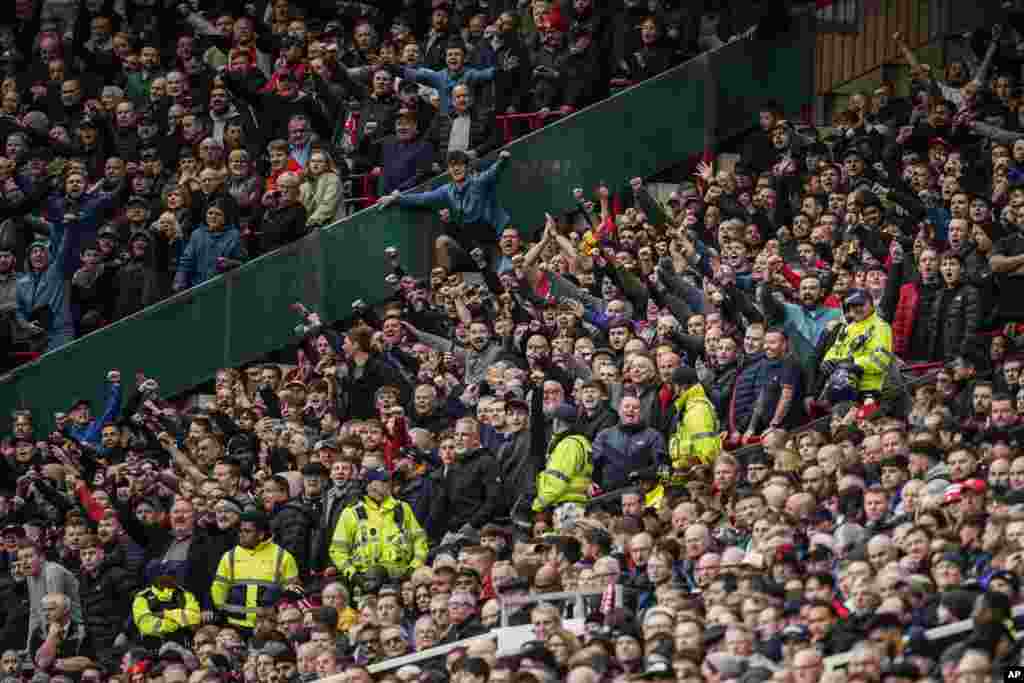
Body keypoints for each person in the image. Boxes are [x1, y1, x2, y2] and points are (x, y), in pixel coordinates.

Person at [329, 467, 428, 581]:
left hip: (401, 577)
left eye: (389, 480)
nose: (388, 484)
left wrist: (412, 569)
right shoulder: (351, 512)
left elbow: (420, 542)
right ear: (370, 486)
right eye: (383, 481)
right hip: (366, 577)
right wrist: (354, 575)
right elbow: (337, 551)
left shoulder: (403, 508)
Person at [210, 508, 299, 632]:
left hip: (269, 626)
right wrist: (223, 615)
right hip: (235, 625)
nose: (241, 534)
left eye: (247, 531)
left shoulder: (283, 556)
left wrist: (277, 612)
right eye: (240, 530)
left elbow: (294, 591)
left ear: (261, 534)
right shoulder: (229, 556)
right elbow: (218, 589)